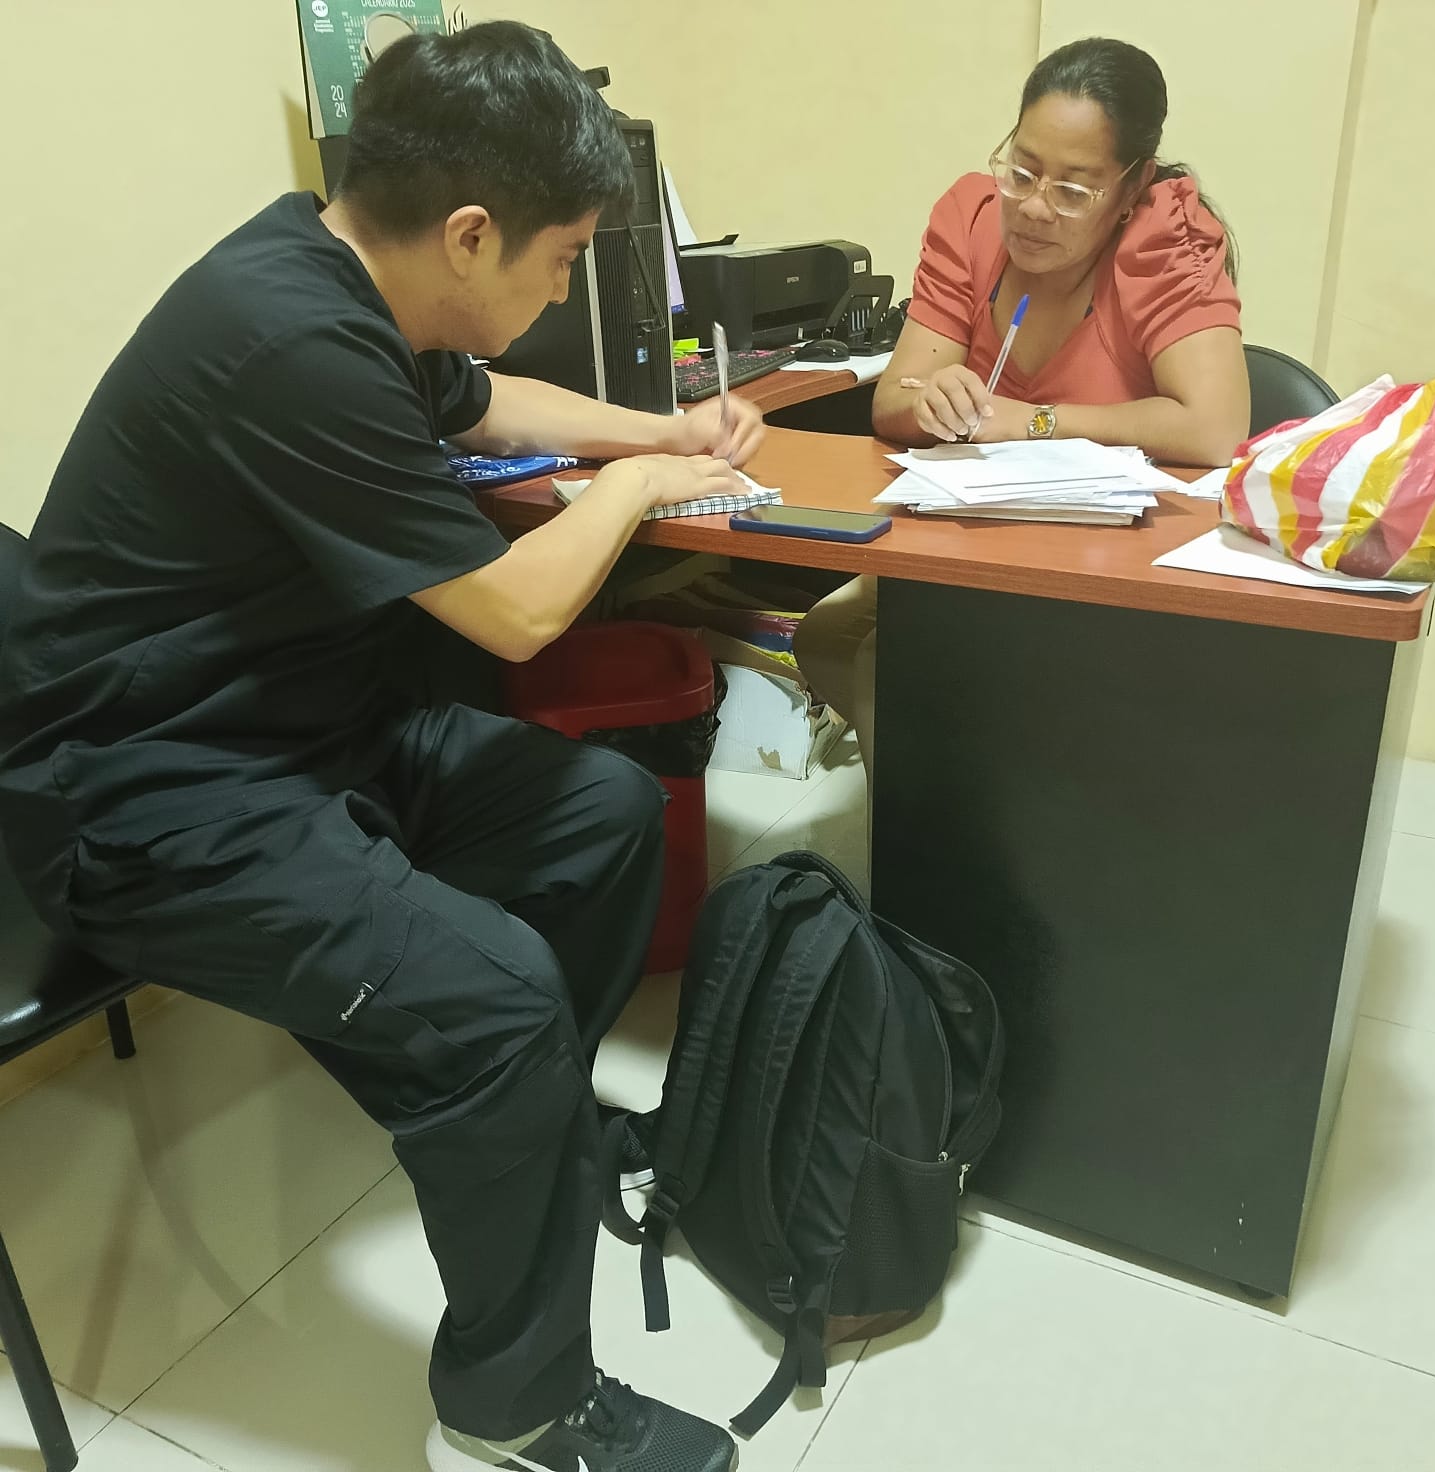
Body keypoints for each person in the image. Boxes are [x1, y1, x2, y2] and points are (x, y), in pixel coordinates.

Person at [0, 23, 759, 1472]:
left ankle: (513, 1126)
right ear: (469, 235)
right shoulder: (288, 339)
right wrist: (641, 490)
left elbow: (486, 400)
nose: (559, 292)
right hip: (147, 802)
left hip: (297, 737)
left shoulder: (345, 276)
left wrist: (660, 431)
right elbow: (519, 615)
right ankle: (514, 1406)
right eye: (559, 260)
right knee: (498, 1000)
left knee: (600, 815)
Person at [794, 36, 1250, 780]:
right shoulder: (972, 220)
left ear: (1132, 185)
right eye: (1023, 171)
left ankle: (964, 827)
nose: (1034, 209)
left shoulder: (1163, 239)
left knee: (896, 665)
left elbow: (1216, 428)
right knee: (826, 640)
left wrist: (1036, 420)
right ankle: (974, 801)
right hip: (973, 552)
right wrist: (931, 401)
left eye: (1073, 189)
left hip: (1109, 572)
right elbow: (891, 403)